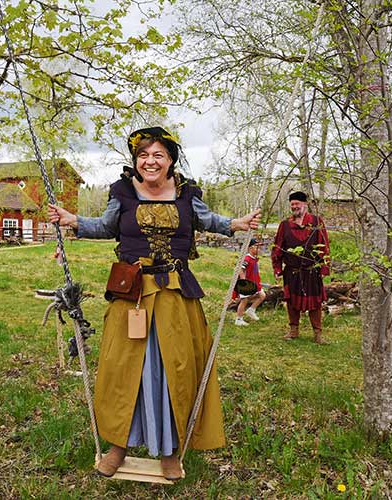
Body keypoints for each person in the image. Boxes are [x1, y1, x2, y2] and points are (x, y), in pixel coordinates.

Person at [48, 126, 260, 480]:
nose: (150, 161)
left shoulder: (187, 194)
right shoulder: (122, 192)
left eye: (158, 155)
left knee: (174, 370)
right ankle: (118, 446)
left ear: (171, 160)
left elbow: (208, 221)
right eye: (143, 155)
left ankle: (170, 451)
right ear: (135, 161)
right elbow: (105, 226)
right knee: (124, 370)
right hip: (130, 295)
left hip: (175, 295)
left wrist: (237, 224)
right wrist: (74, 222)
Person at [271, 191, 330, 344]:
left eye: (297, 204)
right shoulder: (285, 225)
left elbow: (325, 246)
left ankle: (317, 334)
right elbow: (277, 247)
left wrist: (324, 268)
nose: (294, 207)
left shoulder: (317, 222)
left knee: (316, 303)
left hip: (312, 270)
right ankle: (293, 330)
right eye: (292, 205)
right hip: (292, 271)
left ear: (305, 204)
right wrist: (277, 268)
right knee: (291, 302)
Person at [233, 238, 266, 326]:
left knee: (262, 295)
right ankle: (238, 319)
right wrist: (244, 281)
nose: (259, 249)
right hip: (247, 283)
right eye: (257, 247)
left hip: (255, 282)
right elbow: (240, 269)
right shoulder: (247, 259)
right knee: (244, 300)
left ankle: (251, 310)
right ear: (251, 248)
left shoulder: (254, 258)